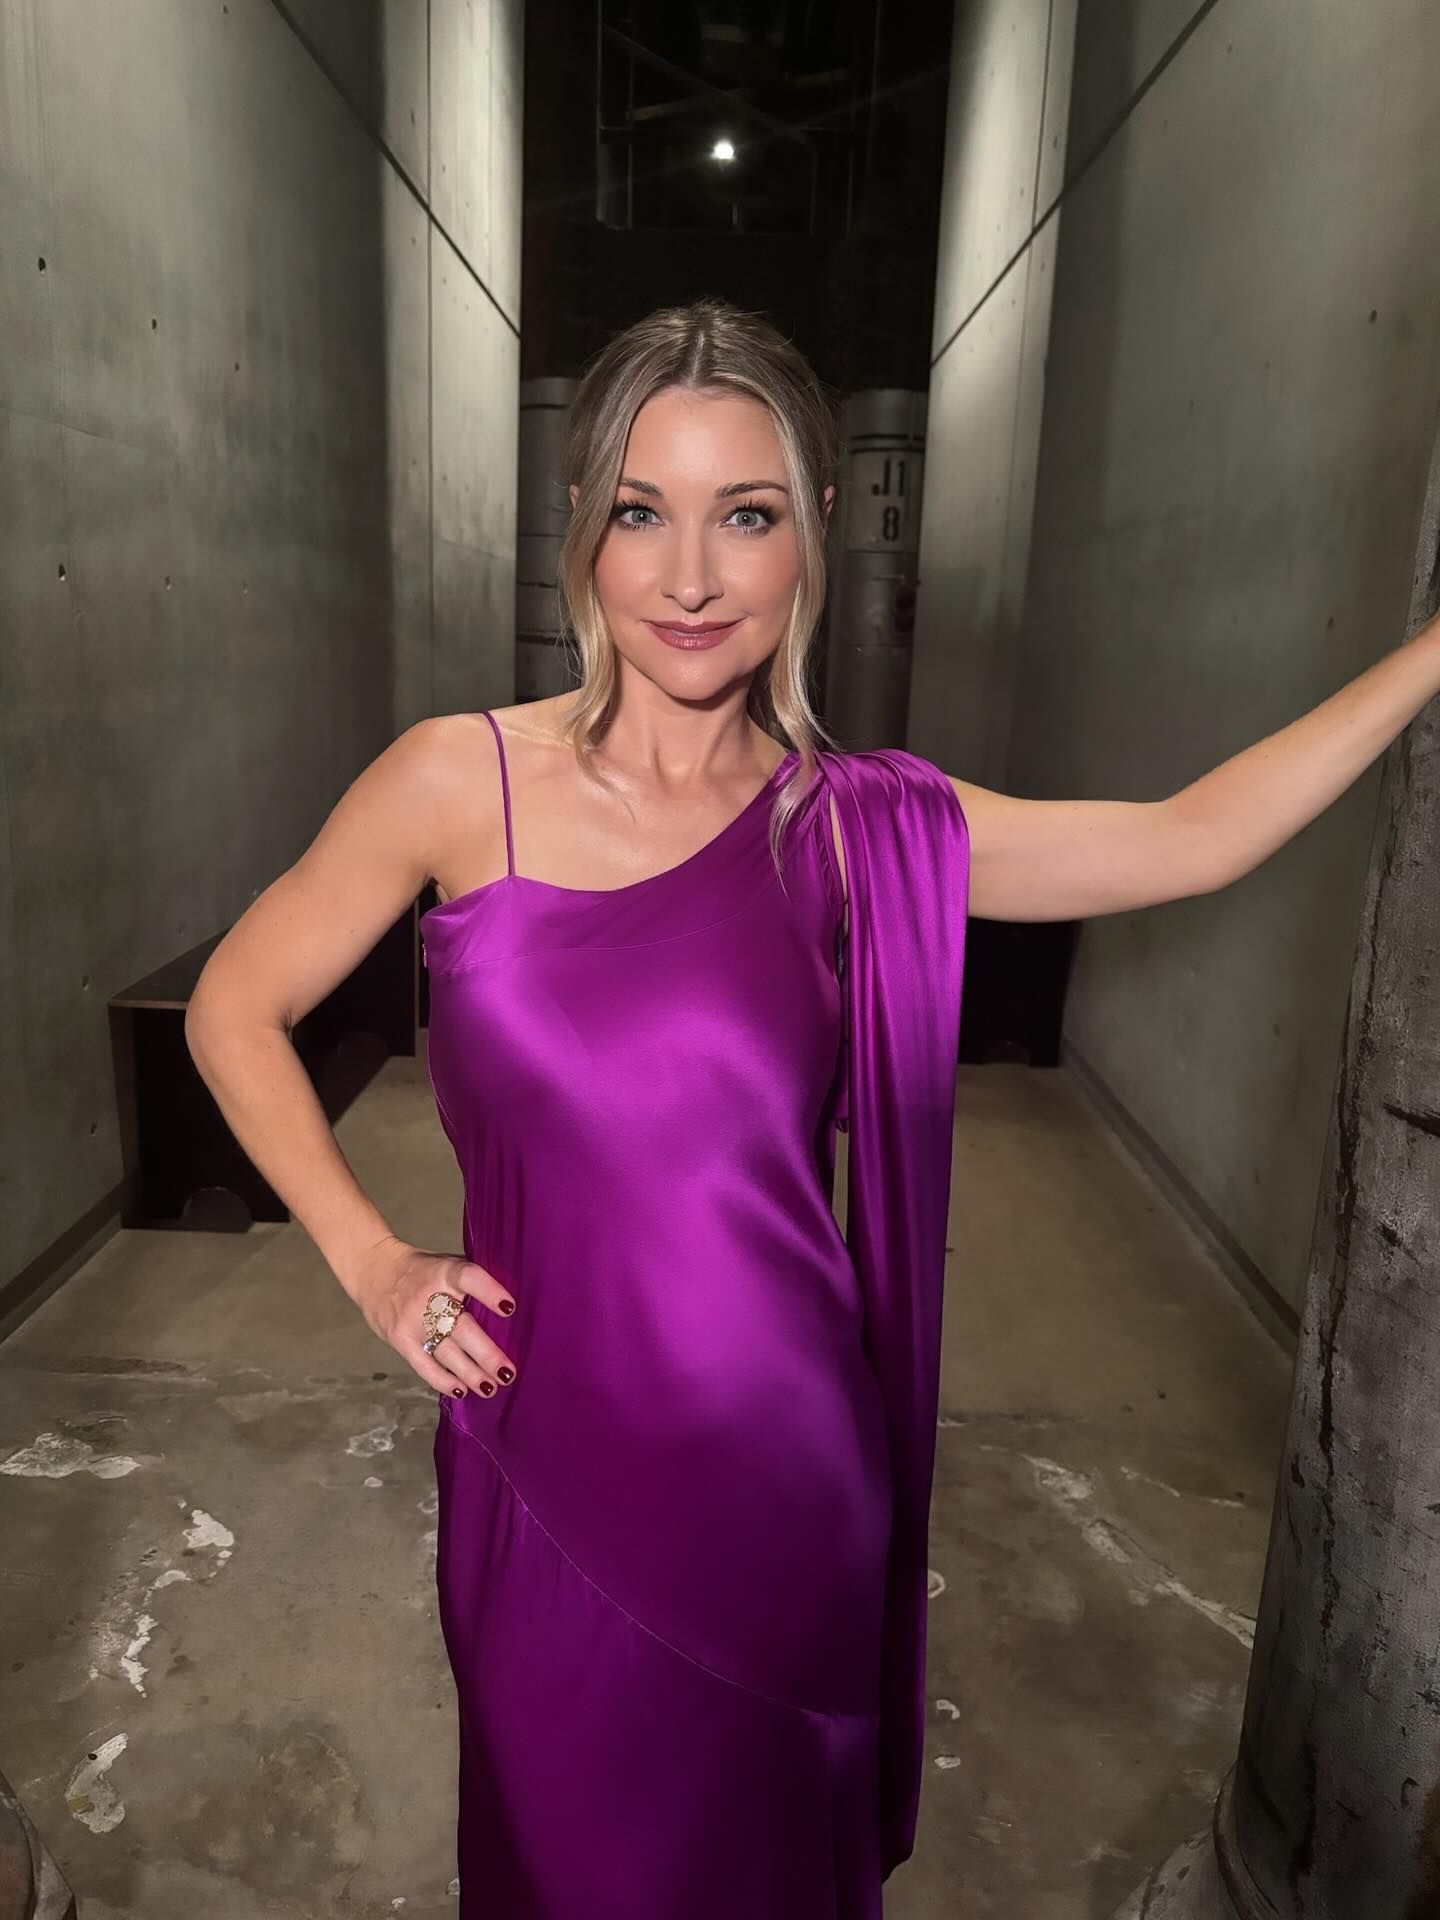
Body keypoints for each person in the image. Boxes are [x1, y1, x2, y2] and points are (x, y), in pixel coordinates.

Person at [185, 298, 1440, 1917]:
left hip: (786, 1481)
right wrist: (372, 1262)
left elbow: (1191, 837)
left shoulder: (853, 830)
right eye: (641, 512)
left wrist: (1431, 650)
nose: (689, 577)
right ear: (584, 527)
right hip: (540, 1463)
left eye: (746, 515)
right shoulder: (455, 780)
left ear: (814, 534)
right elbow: (236, 1008)